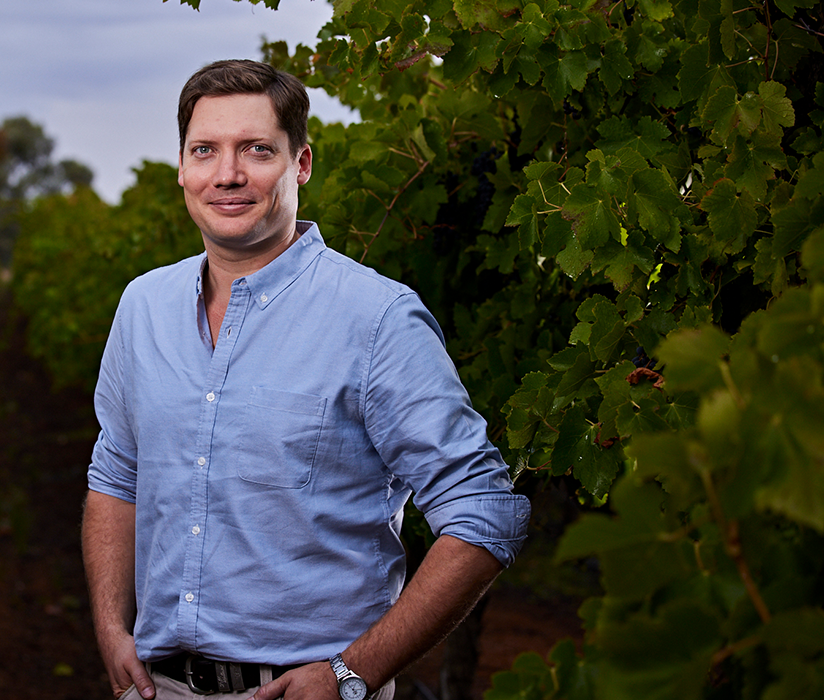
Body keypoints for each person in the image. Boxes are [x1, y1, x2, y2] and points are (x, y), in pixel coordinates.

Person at [83, 59, 530, 700]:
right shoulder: (142, 307)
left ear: (302, 164)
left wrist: (351, 674)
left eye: (257, 150)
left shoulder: (377, 318)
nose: (227, 173)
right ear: (181, 166)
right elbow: (117, 473)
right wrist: (108, 624)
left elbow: (485, 512)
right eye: (205, 150)